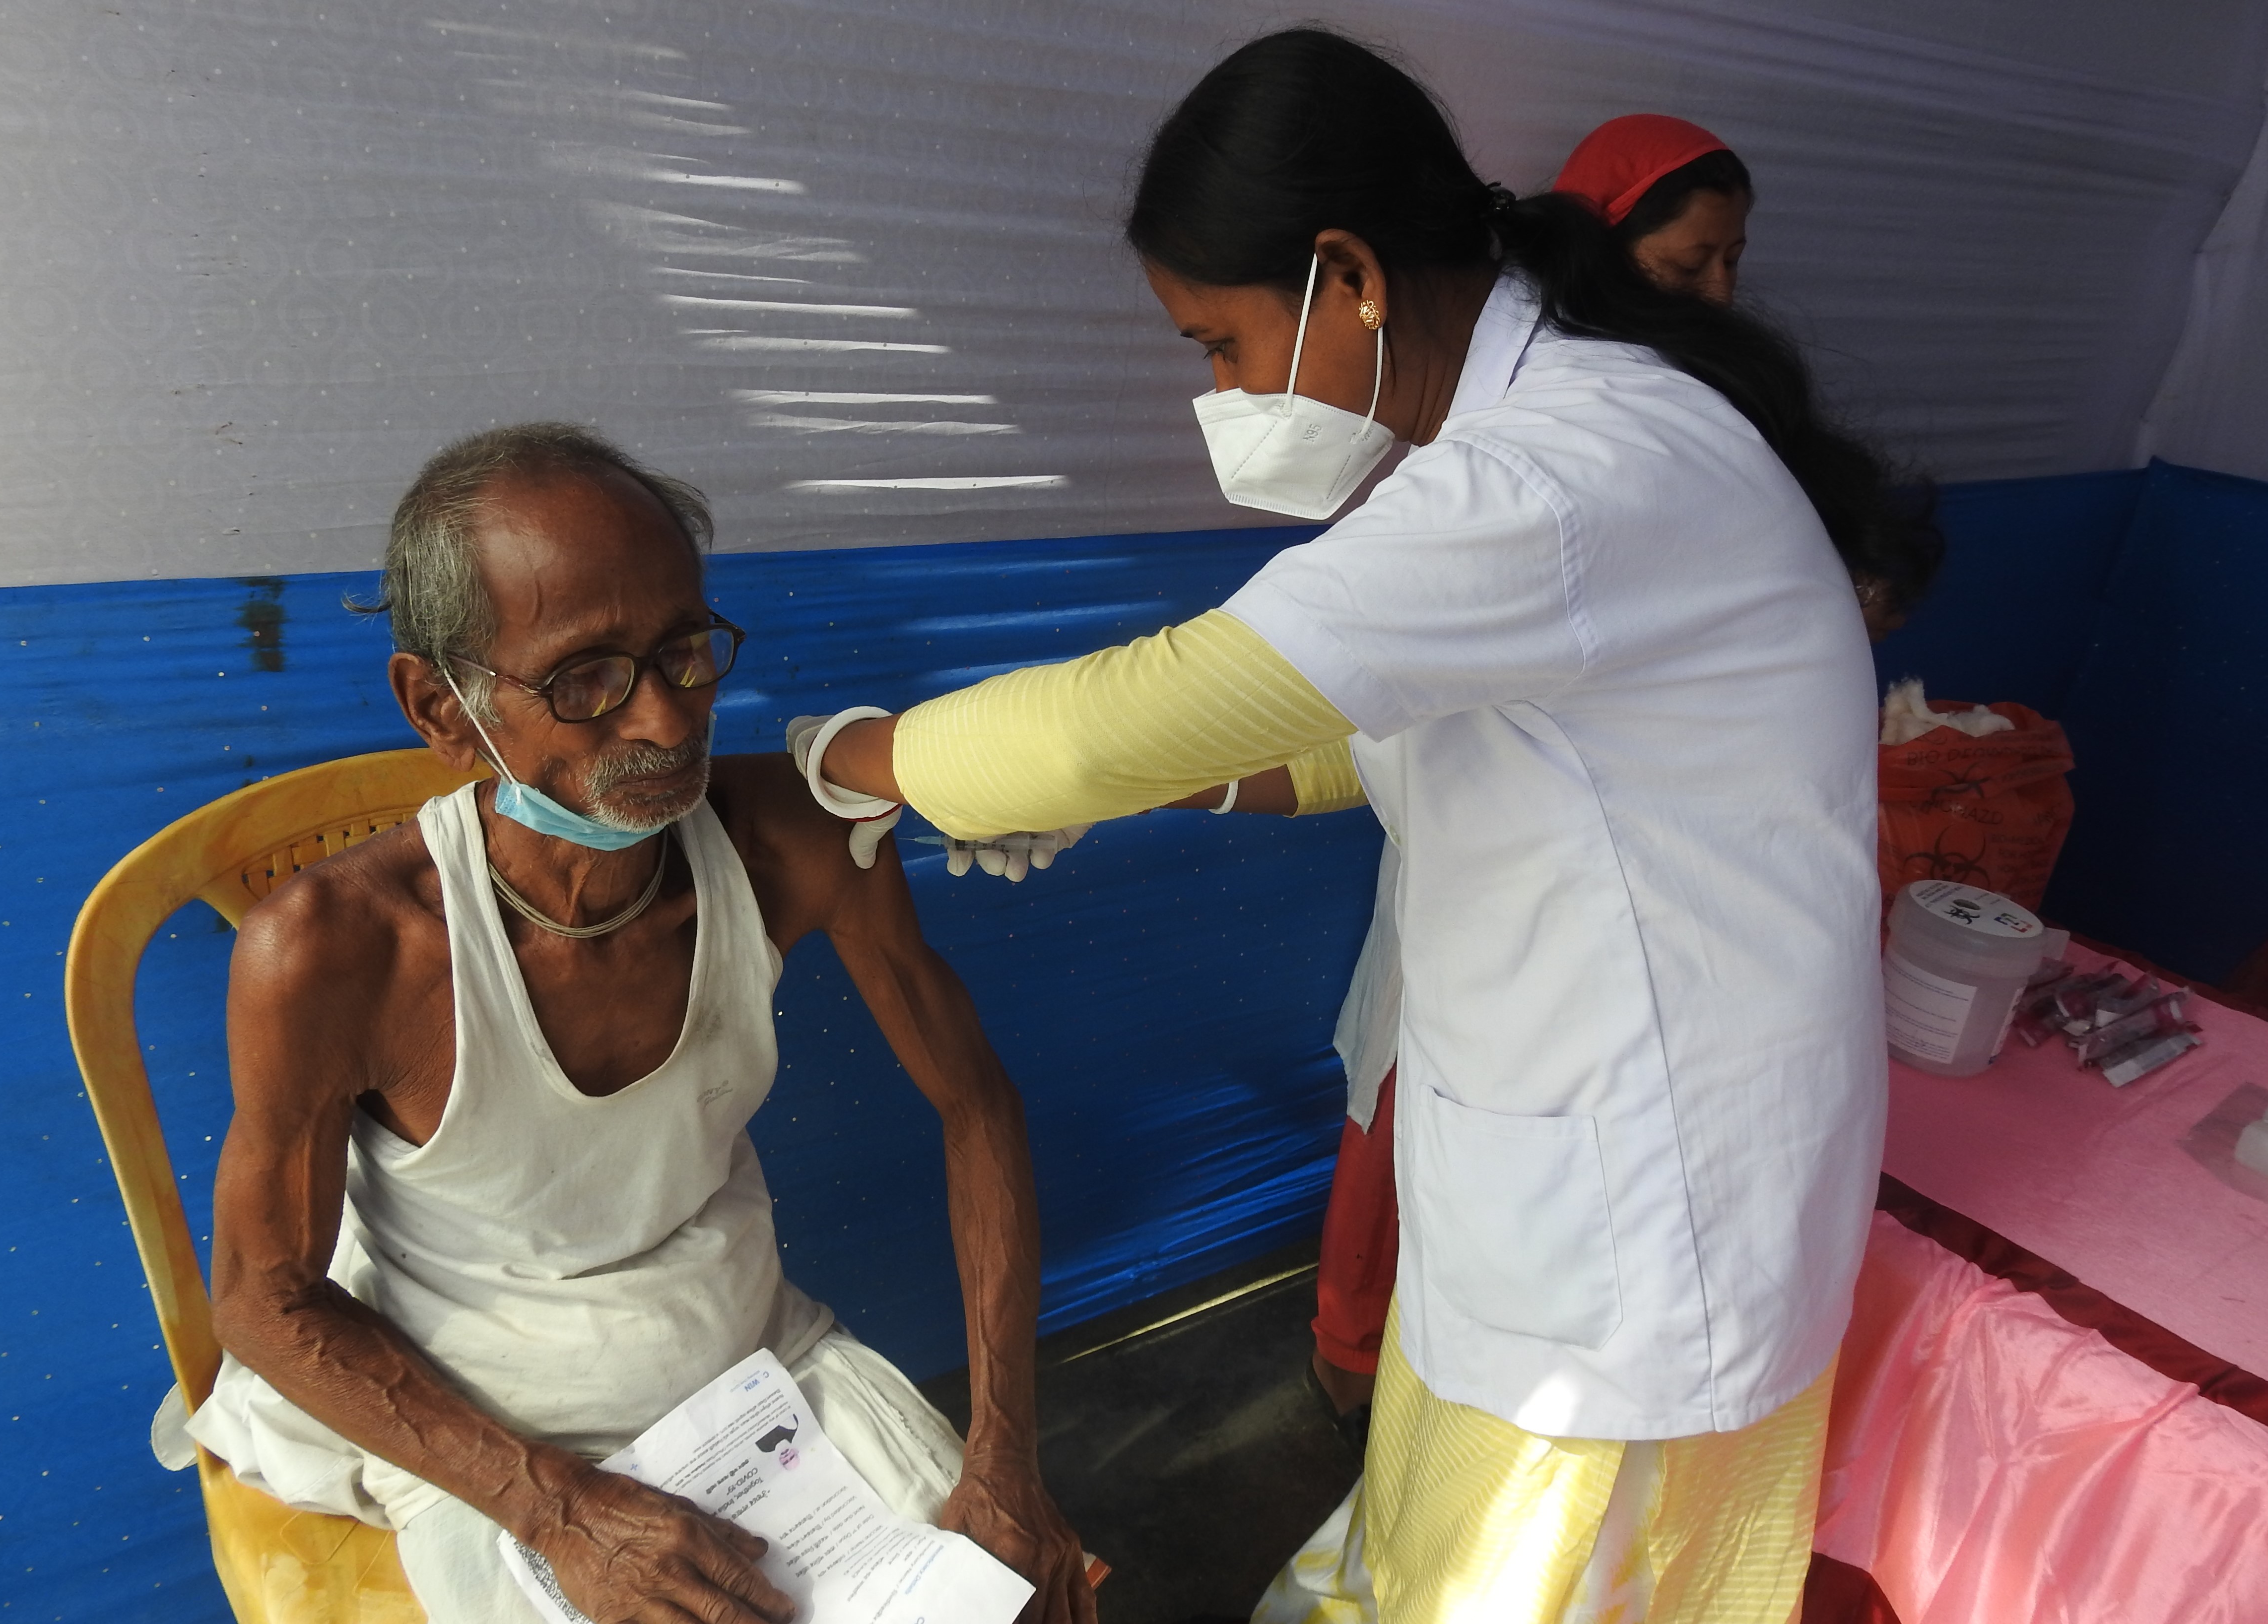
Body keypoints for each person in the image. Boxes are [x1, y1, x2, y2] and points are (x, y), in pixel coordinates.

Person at [793, 27, 1934, 1624]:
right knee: (1442, 1543)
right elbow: (1370, 744)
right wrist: (1146, 780)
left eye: (1218, 343)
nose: (1224, 393)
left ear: (1349, 275)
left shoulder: (1552, 477)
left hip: (1644, 1216)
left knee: (1532, 1583)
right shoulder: (1517, 452)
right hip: (1567, 1157)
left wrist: (851, 756)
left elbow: (1152, 696)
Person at [182, 424, 1093, 1624]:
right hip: (484, 1436)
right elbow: (261, 1297)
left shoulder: (795, 840)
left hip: (754, 1365)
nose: (665, 721)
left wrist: (1006, 1456)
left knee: (1020, 1599)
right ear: (439, 705)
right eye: (585, 679)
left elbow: (975, 1102)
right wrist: (550, 1502)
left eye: (684, 651)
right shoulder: (337, 948)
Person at [1300, 109, 1937, 1447]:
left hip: (1615, 943)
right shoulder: (1501, 454)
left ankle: (1386, 1381)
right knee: (1403, 1098)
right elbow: (1339, 724)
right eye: (1689, 259)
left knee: (1543, 1265)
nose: (1715, 293)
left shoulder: (1659, 437)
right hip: (1485, 873)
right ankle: (1351, 1356)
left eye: (1729, 265)